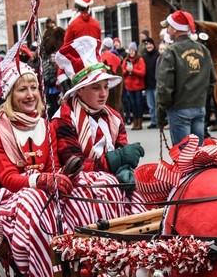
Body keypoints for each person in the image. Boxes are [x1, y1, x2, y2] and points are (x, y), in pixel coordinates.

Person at [0, 46, 137, 277]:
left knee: (96, 185)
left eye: (33, 87)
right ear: (9, 94)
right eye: (22, 89)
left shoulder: (45, 124)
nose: (31, 94)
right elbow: (8, 178)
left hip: (47, 190)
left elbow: (57, 164)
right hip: (11, 198)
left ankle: (99, 262)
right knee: (33, 202)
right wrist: (42, 181)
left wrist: (62, 177)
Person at [52, 36, 144, 185]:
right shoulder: (64, 119)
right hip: (80, 190)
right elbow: (74, 166)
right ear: (80, 91)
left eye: (106, 87)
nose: (103, 94)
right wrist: (116, 159)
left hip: (111, 183)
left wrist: (124, 169)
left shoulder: (114, 117)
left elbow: (122, 149)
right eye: (96, 88)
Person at [156, 10, 215, 144]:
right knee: (198, 155)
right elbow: (212, 81)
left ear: (175, 29)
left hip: (179, 110)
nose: (167, 30)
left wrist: (160, 115)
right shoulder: (203, 49)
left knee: (184, 157)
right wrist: (201, 99)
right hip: (199, 108)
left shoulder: (171, 52)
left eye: (169, 27)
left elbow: (164, 88)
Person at [121, 42, 146, 130]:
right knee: (132, 105)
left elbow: (142, 73)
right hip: (129, 87)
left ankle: (139, 122)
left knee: (138, 104)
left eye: (133, 50)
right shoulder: (126, 60)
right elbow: (122, 72)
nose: (131, 52)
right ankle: (134, 122)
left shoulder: (140, 59)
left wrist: (133, 70)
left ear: (135, 51)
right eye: (130, 50)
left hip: (138, 86)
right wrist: (127, 71)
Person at [142, 37, 159, 129]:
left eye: (150, 44)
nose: (148, 46)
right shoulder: (144, 56)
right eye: (147, 44)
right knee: (151, 105)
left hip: (156, 83)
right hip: (148, 84)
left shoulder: (158, 55)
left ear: (153, 44)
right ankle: (153, 121)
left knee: (157, 105)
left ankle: (159, 121)